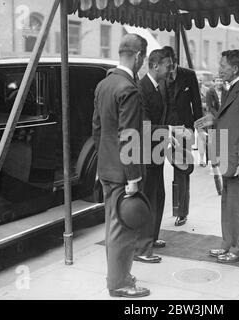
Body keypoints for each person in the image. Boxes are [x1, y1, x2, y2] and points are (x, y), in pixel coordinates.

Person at [92, 33, 150, 297]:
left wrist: (104, 163)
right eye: (144, 58)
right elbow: (129, 135)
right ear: (138, 57)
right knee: (122, 229)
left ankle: (118, 276)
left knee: (112, 225)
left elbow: (96, 130)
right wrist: (133, 176)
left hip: (107, 168)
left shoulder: (104, 84)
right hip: (122, 172)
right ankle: (119, 284)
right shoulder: (128, 88)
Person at [195, 49, 239, 263]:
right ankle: (228, 243)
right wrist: (213, 120)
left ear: (235, 68)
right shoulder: (234, 87)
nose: (219, 69)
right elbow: (234, 119)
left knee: (238, 204)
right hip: (228, 155)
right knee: (228, 202)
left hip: (237, 158)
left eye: (223, 66)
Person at [135, 49, 185, 263]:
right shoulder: (141, 89)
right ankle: (141, 247)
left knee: (157, 196)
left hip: (156, 150)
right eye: (167, 66)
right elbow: (144, 126)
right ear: (155, 66)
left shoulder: (159, 86)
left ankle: (151, 238)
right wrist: (170, 129)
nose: (170, 70)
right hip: (144, 152)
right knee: (147, 198)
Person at [163, 46, 203, 227]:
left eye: (172, 66)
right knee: (154, 168)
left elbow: (196, 101)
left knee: (181, 169)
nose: (169, 70)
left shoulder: (188, 75)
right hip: (162, 127)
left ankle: (182, 212)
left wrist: (197, 127)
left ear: (176, 62)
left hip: (184, 128)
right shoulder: (160, 73)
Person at [205, 76, 226, 195]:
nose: (219, 83)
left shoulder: (226, 92)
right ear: (214, 82)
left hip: (224, 122)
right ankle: (219, 186)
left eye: (221, 81)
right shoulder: (210, 92)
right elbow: (210, 107)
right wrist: (219, 116)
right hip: (214, 121)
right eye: (217, 80)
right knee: (213, 151)